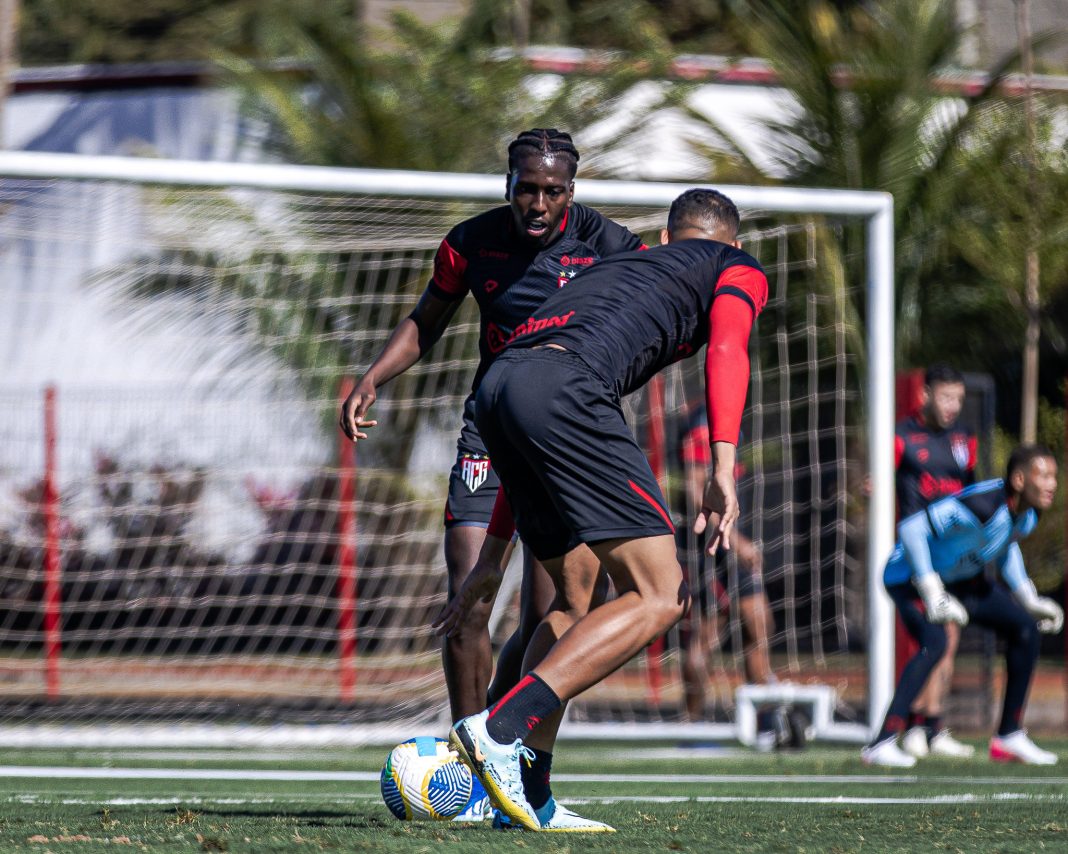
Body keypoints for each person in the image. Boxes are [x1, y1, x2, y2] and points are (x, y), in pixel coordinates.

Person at [436, 188, 768, 830]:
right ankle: (499, 731)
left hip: (502, 387)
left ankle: (528, 793)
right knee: (661, 594)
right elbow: (728, 348)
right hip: (568, 391)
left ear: (667, 239)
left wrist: (492, 558)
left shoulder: (619, 266)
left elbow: (524, 413)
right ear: (729, 243)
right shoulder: (736, 266)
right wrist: (723, 466)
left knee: (572, 596)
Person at [339, 129, 643, 825]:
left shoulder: (608, 245)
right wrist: (373, 378)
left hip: (569, 440)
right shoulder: (470, 243)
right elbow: (427, 320)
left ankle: (511, 765)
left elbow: (662, 297)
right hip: (492, 432)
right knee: (468, 600)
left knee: (553, 614)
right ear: (508, 183)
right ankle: (470, 775)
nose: (538, 202)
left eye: (553, 190)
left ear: (573, 189)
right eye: (526, 188)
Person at [861, 445, 1064, 768]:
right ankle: (882, 742)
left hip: (961, 580)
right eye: (1044, 475)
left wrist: (1028, 596)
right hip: (909, 575)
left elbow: (1005, 544)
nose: (1053, 484)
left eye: (1054, 476)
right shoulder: (983, 504)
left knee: (1024, 628)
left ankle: (1009, 736)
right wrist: (930, 589)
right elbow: (911, 530)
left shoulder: (1030, 513)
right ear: (1020, 479)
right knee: (936, 642)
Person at [673, 403, 788, 744]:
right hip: (712, 549)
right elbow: (697, 494)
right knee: (707, 635)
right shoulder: (701, 426)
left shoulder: (729, 424)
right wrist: (738, 543)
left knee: (759, 622)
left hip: (732, 547)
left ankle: (762, 717)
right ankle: (691, 726)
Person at [894, 364, 977, 759]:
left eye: (958, 399)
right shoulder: (902, 436)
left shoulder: (964, 440)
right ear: (925, 395)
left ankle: (932, 725)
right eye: (945, 397)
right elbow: (879, 478)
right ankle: (915, 723)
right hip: (917, 554)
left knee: (949, 637)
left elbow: (971, 490)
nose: (952, 406)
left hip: (951, 554)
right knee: (936, 635)